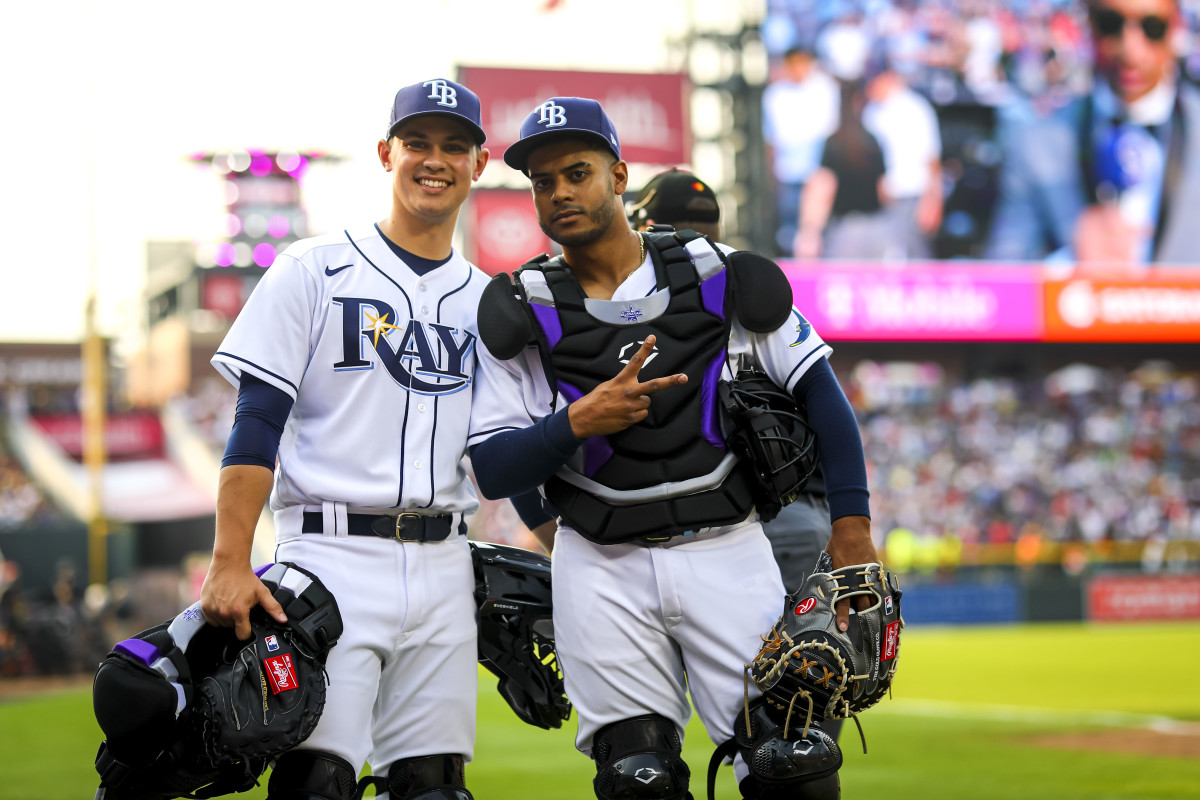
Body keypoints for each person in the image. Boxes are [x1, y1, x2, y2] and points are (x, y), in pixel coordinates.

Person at [470, 97, 878, 800]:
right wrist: (575, 424)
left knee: (793, 769)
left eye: (577, 172)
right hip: (602, 564)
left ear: (620, 174)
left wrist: (853, 527)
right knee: (638, 781)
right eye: (543, 181)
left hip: (726, 546)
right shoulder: (520, 307)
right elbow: (493, 465)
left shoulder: (720, 274)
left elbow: (822, 396)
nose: (560, 192)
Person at [199, 78, 494, 800]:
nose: (435, 159)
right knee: (316, 782)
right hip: (330, 556)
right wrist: (230, 560)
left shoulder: (489, 300)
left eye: (454, 146)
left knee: (434, 786)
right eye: (418, 142)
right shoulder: (313, 267)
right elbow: (256, 423)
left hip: (444, 561)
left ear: (478, 164)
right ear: (386, 153)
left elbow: (502, 450)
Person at [626, 166, 843, 743]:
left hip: (714, 527)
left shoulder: (647, 293)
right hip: (794, 515)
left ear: (644, 224)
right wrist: (853, 522)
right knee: (795, 730)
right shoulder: (750, 282)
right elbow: (829, 404)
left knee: (647, 741)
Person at [985, 0, 1200, 267]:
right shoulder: (1038, 142)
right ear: (1089, 24)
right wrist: (1070, 263)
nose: (1130, 49)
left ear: (1177, 27)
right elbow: (1004, 271)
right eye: (1111, 24)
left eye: (1152, 27)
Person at [795, 79, 892, 261]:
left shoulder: (833, 144)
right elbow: (884, 190)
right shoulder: (873, 141)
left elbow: (823, 188)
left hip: (844, 231)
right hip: (878, 228)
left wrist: (809, 233)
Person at [761, 45, 840, 254]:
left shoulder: (825, 89)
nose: (798, 69)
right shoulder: (775, 94)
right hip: (787, 174)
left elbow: (831, 133)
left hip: (817, 173)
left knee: (816, 231)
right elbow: (772, 140)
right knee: (789, 232)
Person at [863, 61, 944, 260]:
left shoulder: (915, 108)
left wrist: (933, 200)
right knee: (885, 255)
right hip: (881, 197)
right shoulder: (871, 111)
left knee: (915, 255)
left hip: (913, 194)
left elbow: (931, 157)